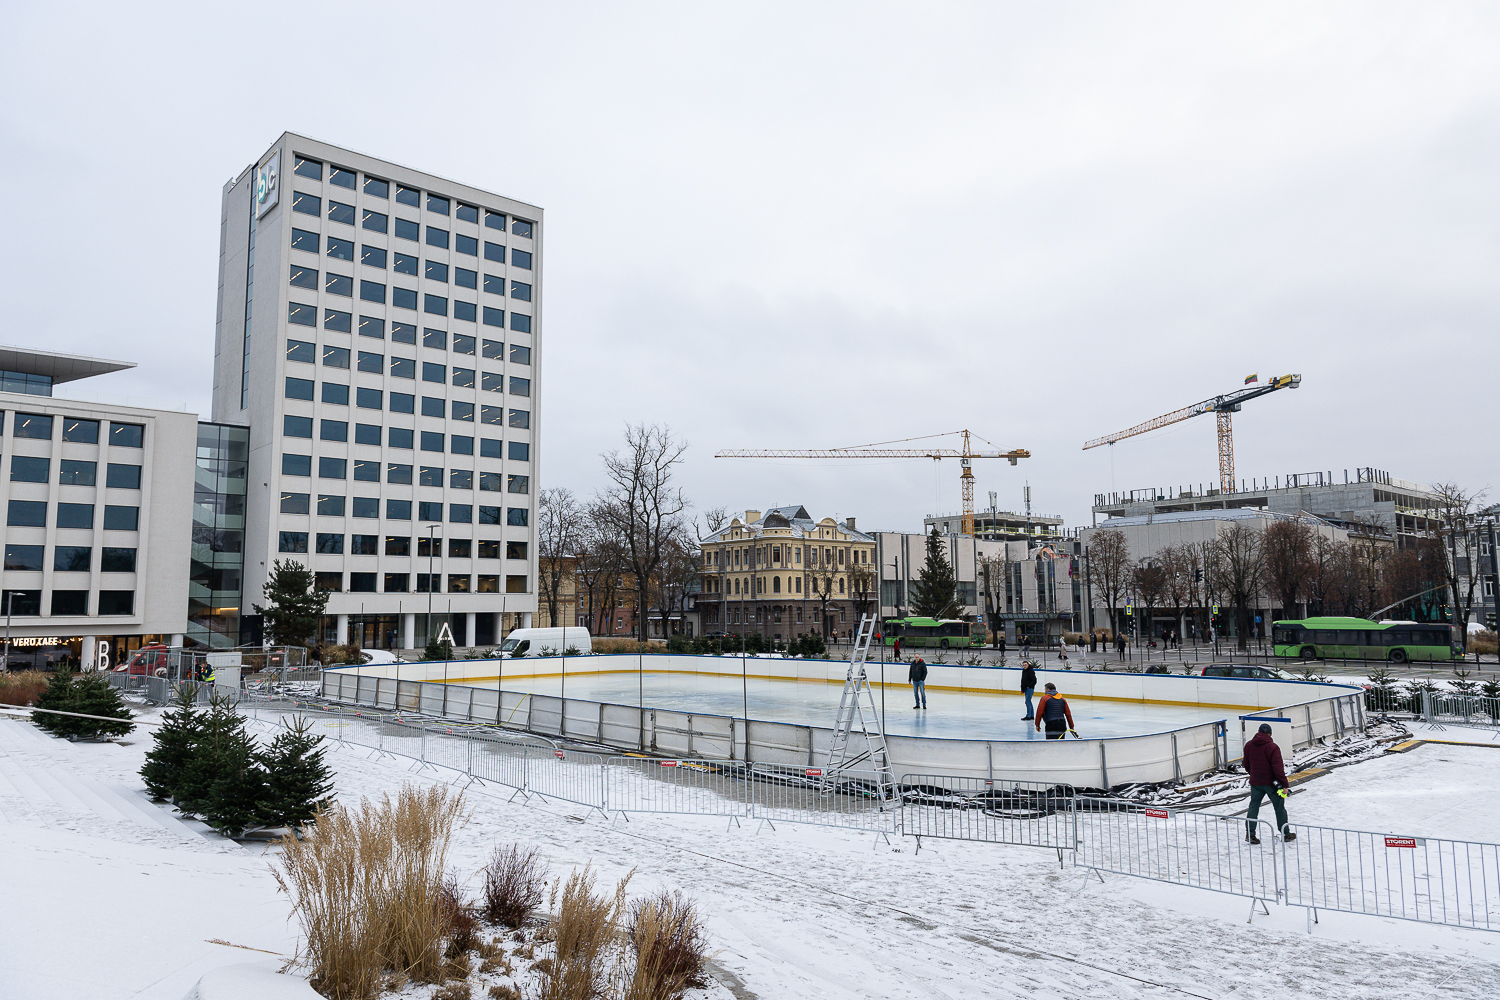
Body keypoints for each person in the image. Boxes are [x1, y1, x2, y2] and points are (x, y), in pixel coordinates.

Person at [1243, 723, 1295, 844]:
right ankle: (1285, 834)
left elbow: (1246, 764)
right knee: (1279, 808)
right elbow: (1278, 769)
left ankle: (1250, 834)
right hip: (1272, 784)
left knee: (1253, 807)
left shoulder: (1249, 745)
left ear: (1258, 731)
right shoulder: (1273, 747)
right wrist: (1284, 785)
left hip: (1255, 782)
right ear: (1270, 734)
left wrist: (1254, 774)